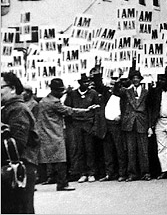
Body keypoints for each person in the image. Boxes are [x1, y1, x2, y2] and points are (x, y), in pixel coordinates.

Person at [36, 78, 98, 191]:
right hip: (54, 134)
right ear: (55, 90)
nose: (62, 92)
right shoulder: (54, 102)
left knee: (50, 160)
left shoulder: (44, 100)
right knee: (61, 160)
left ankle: (49, 180)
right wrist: (86, 110)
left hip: (45, 133)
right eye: (60, 90)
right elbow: (69, 111)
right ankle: (62, 183)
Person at [1, 72, 39, 213]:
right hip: (14, 168)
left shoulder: (17, 109)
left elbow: (17, 145)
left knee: (19, 209)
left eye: (0, 87)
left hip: (19, 168)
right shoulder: (8, 108)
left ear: (12, 88)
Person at [64, 73, 101, 183]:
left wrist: (94, 124)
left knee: (89, 149)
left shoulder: (93, 93)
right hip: (77, 124)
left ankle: (91, 173)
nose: (87, 84)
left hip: (88, 124)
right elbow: (67, 108)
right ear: (79, 83)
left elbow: (97, 109)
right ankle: (82, 173)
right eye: (84, 82)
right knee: (79, 149)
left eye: (88, 82)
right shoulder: (72, 94)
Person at [116, 70, 152, 181]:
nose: (135, 80)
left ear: (141, 79)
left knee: (143, 150)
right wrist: (118, 80)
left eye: (137, 78)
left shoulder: (146, 92)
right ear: (131, 80)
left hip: (142, 122)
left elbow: (149, 109)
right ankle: (132, 173)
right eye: (133, 78)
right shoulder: (126, 92)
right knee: (130, 150)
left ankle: (145, 173)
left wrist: (150, 126)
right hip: (129, 123)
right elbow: (116, 91)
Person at [99, 73, 127, 182]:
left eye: (117, 81)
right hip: (106, 124)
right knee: (108, 151)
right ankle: (109, 173)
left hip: (116, 125)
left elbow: (126, 108)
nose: (114, 83)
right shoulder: (107, 93)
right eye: (113, 80)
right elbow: (99, 86)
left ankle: (122, 173)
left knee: (120, 150)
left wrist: (121, 116)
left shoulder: (123, 94)